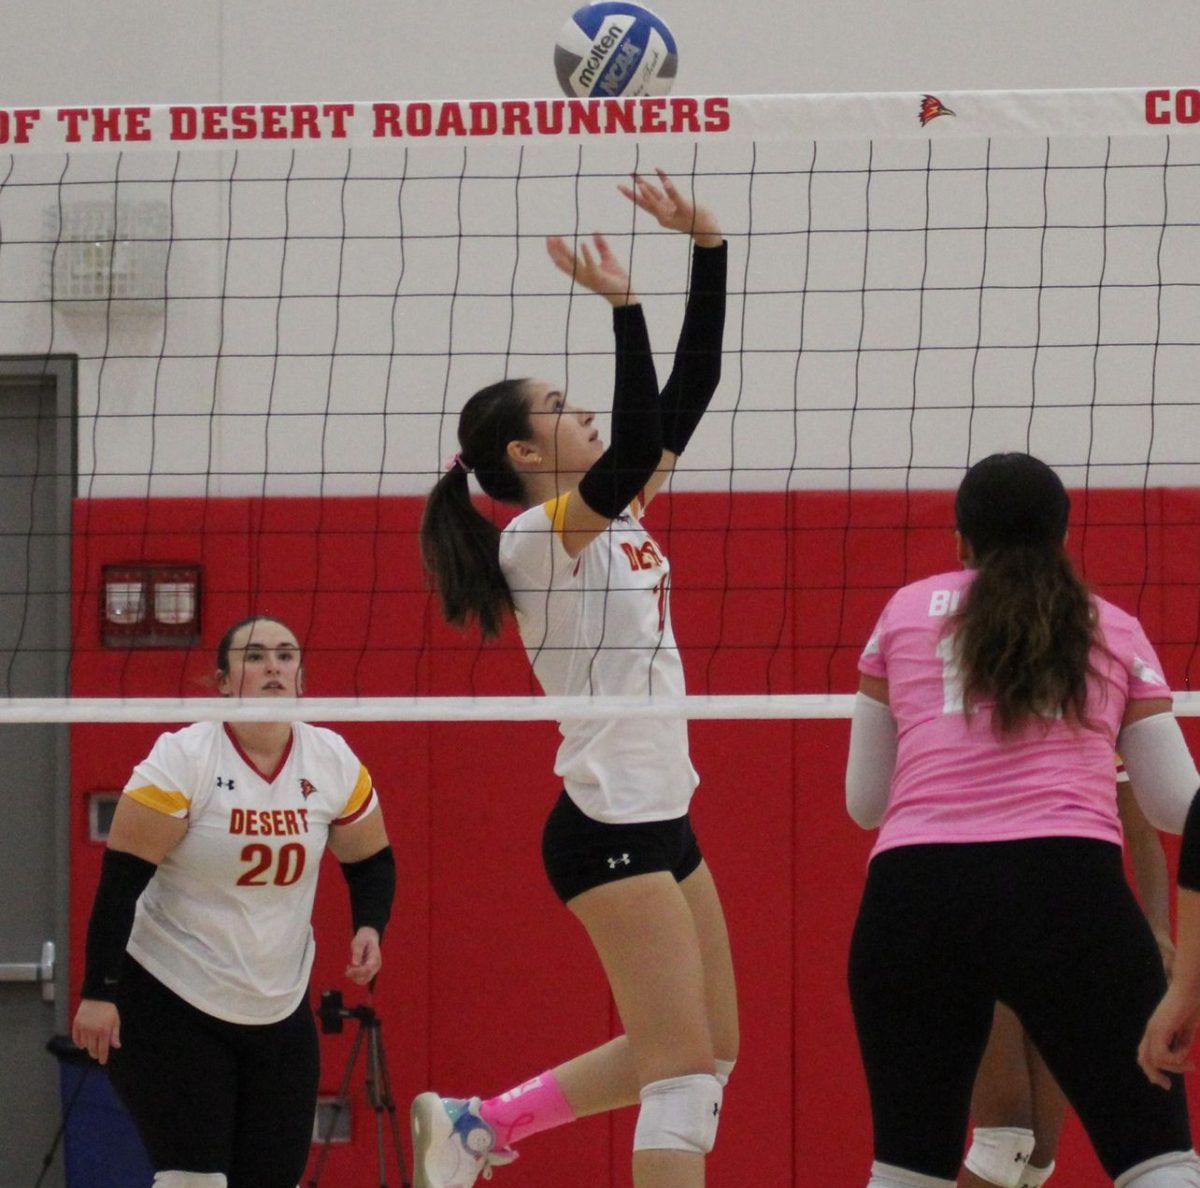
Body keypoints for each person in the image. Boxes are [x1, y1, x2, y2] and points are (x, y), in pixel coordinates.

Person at [415, 169, 736, 1188]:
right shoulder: (537, 541)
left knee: (704, 1050)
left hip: (661, 811)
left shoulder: (615, 513)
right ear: (522, 451)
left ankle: (480, 1126)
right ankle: (478, 1129)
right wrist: (625, 308)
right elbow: (639, 435)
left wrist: (709, 249)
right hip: (608, 823)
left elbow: (690, 392)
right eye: (559, 406)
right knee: (681, 1079)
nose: (582, 409)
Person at [843, 452, 1200, 1188]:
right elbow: (1173, 801)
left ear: (960, 541)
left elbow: (865, 802)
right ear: (1063, 537)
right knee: (1155, 1157)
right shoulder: (1112, 627)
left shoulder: (903, 613)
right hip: (1065, 888)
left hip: (914, 897)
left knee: (907, 1166)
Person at [71, 616, 396, 1188]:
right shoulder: (183, 759)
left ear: (301, 677)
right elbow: (120, 883)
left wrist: (370, 924)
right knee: (193, 1181)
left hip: (276, 1003)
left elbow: (370, 860)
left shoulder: (331, 760)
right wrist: (98, 993)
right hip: (171, 995)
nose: (273, 665)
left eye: (285, 655)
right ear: (223, 681)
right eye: (254, 656)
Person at [963, 771, 1176, 1188]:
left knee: (1037, 1158)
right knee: (1005, 1142)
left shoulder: (1097, 711)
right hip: (983, 910)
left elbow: (1141, 829)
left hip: (1065, 930)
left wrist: (1159, 930)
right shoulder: (973, 712)